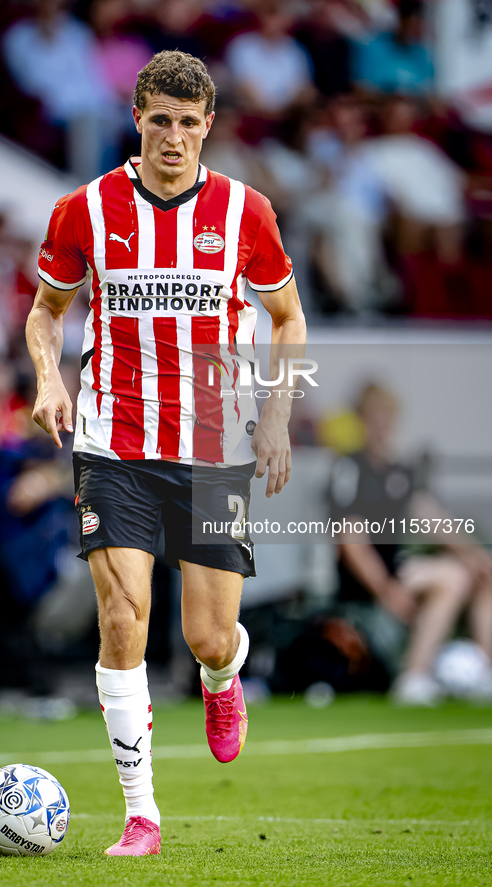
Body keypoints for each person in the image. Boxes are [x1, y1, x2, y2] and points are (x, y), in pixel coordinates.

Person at [26, 50, 306, 856]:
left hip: (213, 446)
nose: (174, 137)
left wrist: (277, 418)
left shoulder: (246, 211)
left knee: (208, 638)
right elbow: (45, 311)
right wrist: (49, 379)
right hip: (112, 442)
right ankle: (140, 814)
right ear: (137, 120)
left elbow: (286, 318)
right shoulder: (84, 208)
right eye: (161, 121)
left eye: (189, 123)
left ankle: (226, 678)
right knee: (122, 620)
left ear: (208, 126)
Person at [329, 383, 492, 706]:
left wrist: (475, 554)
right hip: (366, 585)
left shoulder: (398, 471)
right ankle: (414, 675)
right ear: (362, 420)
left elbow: (433, 518)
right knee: (452, 577)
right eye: (376, 416)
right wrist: (386, 589)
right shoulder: (351, 468)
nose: (384, 425)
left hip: (400, 570)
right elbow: (352, 541)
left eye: (389, 416)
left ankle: (484, 671)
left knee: (479, 572)